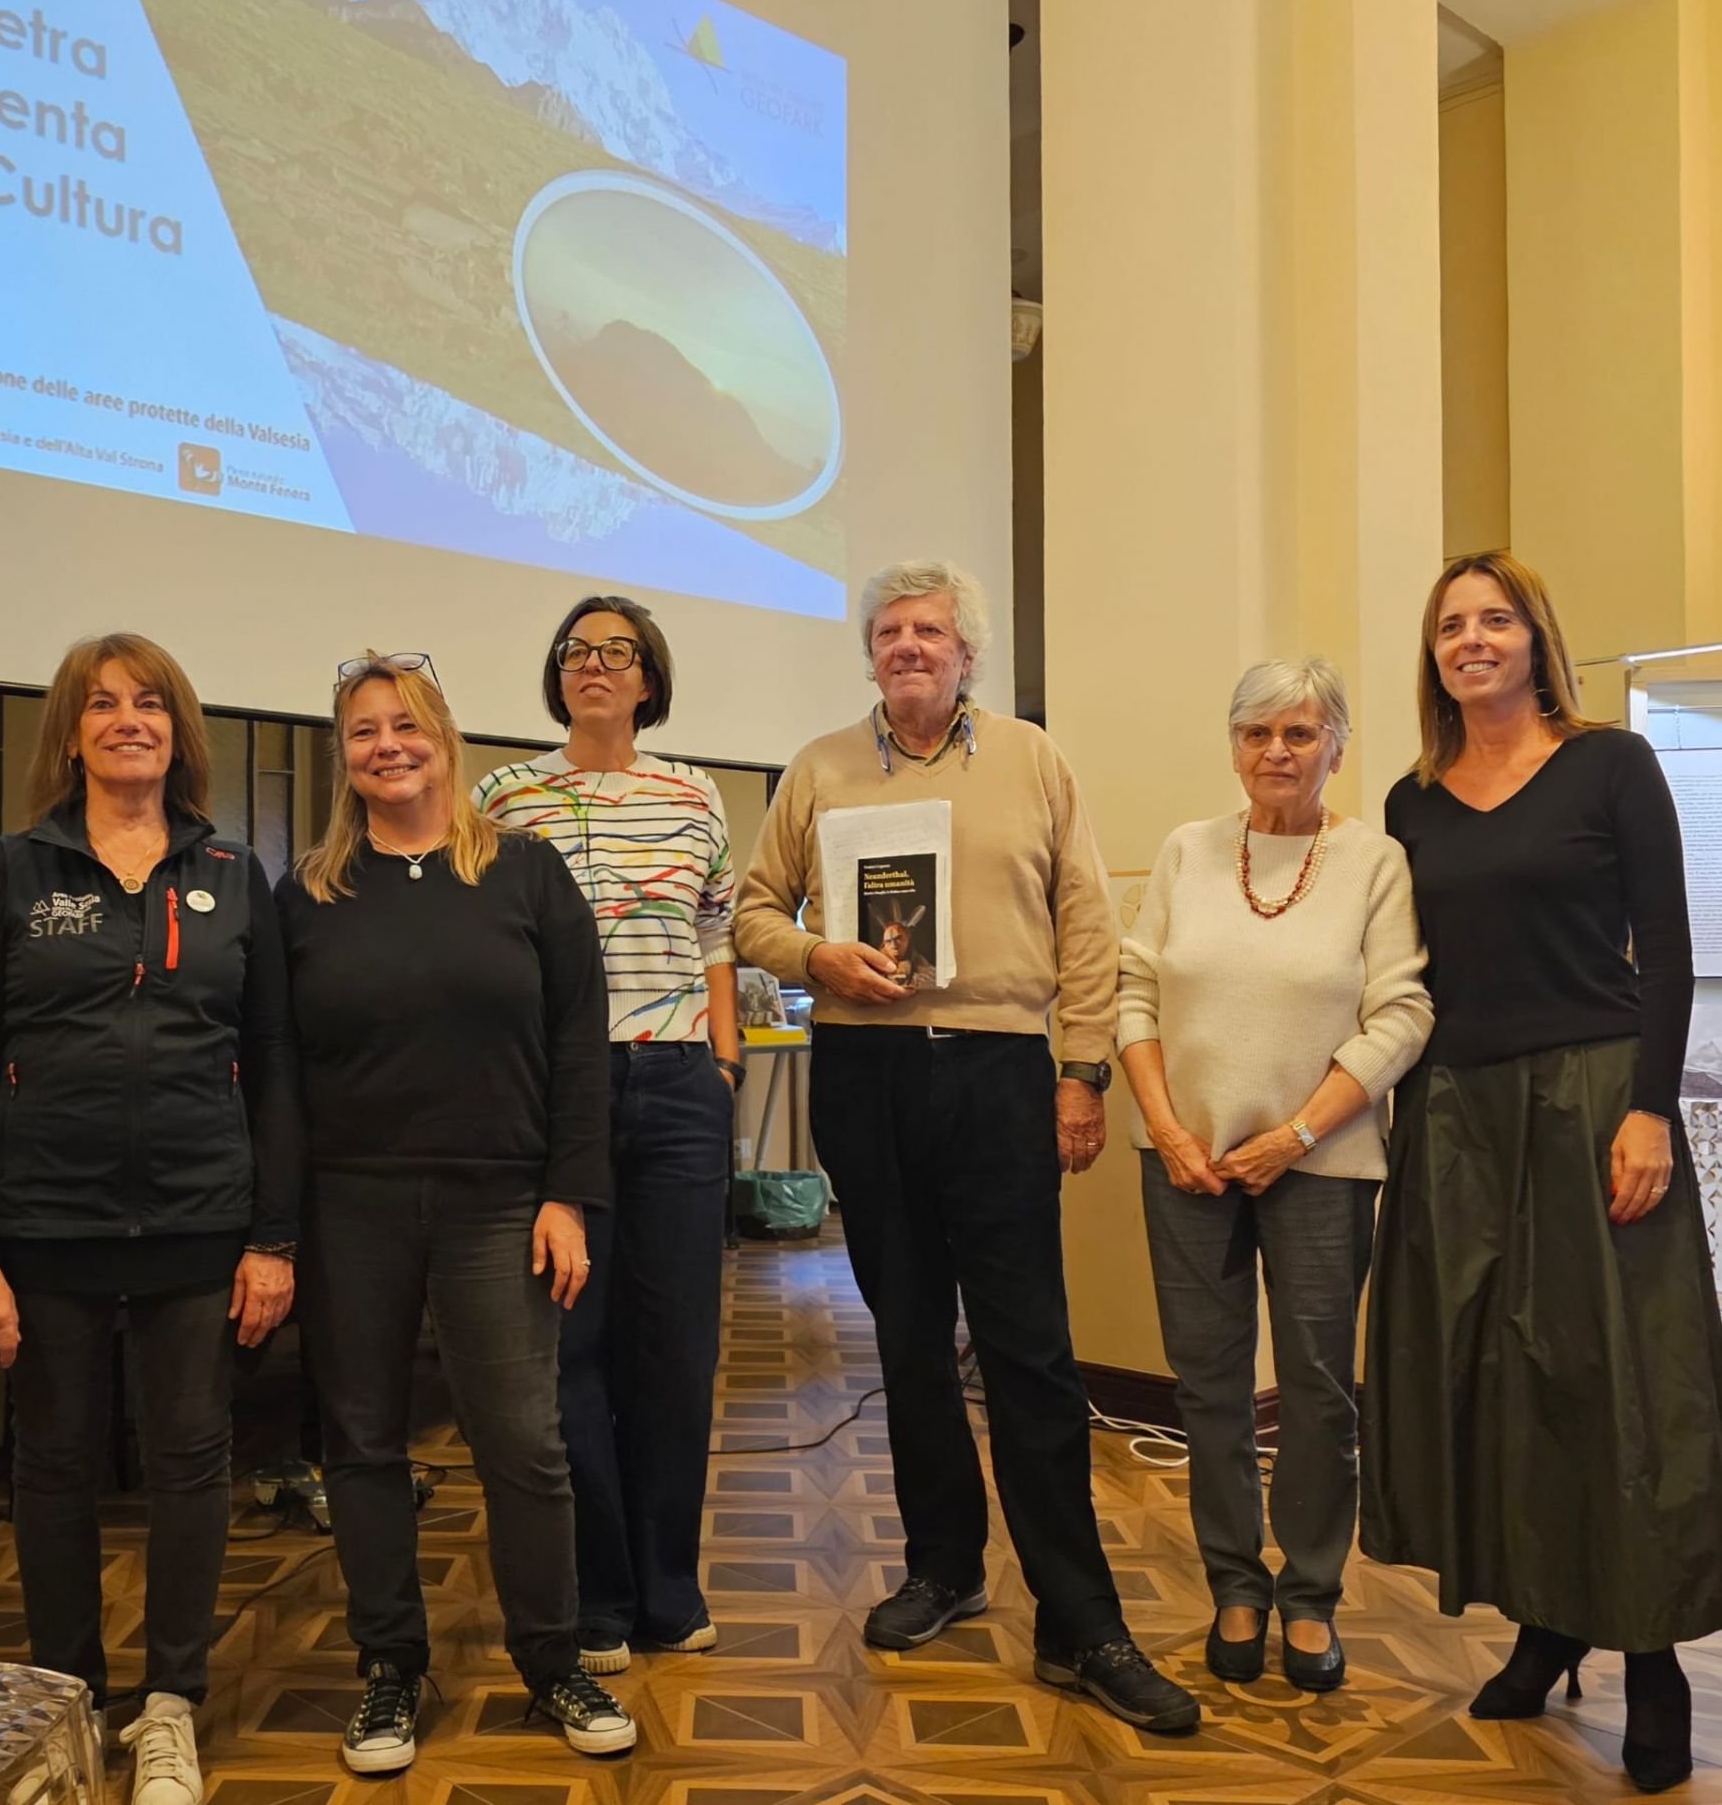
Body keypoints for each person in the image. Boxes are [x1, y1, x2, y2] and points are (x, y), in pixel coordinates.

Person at [735, 558, 1200, 1733]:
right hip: (865, 1072)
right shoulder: (819, 768)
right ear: (870, 654)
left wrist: (1081, 1071)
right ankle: (941, 1567)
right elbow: (750, 912)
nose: (907, 645)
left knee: (1028, 1351)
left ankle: (1080, 1621)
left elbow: (1086, 923)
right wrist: (814, 958)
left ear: (967, 654)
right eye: (889, 630)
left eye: (928, 631)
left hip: (998, 1071)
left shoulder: (1033, 760)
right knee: (905, 1340)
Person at [0, 633, 300, 1805]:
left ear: (178, 731)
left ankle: (171, 1706)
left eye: (149, 702)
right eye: (101, 704)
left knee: (191, 1465)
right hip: (44, 1230)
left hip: (201, 1223)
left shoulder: (233, 872)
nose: (127, 719)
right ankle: (69, 1707)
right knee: (54, 1468)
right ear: (71, 734)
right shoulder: (13, 870)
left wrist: (272, 1239)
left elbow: (276, 1072)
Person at [1361, 552, 1722, 1794]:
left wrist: (1650, 1110)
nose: (1472, 639)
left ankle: (1653, 1658)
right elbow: (1397, 974)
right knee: (1497, 1380)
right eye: (1450, 625)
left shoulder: (1610, 764)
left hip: (1593, 1098)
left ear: (1534, 639)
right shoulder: (1410, 800)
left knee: (1616, 1379)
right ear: (1434, 655)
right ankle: (1542, 1622)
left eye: (1495, 619)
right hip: (1455, 1112)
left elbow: (1667, 946)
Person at [276, 652, 635, 1770]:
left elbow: (579, 1045)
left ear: (443, 738)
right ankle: (390, 1668)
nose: (387, 746)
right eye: (363, 731)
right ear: (344, 756)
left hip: (499, 1204)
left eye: (406, 725)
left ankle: (552, 1660)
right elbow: (279, 1073)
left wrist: (568, 1195)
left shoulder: (526, 872)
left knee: (523, 1443)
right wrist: (276, 1230)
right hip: (351, 1209)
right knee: (361, 1445)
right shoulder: (309, 893)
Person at [1118, 658, 1431, 1693]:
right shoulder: (1185, 851)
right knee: (1207, 1388)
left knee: (1316, 1391)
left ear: (1335, 745)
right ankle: (1233, 1586)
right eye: (1256, 733)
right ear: (1233, 746)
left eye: (1299, 733)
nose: (1276, 752)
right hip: (1186, 1165)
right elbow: (1134, 992)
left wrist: (1293, 1133)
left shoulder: (1374, 861)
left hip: (1323, 1165)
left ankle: (1308, 1596)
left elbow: (1401, 1016)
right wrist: (1165, 1127)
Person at [473, 597, 737, 1674]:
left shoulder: (694, 793)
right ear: (557, 676)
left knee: (675, 1350)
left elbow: (715, 929)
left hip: (677, 1087)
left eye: (615, 652)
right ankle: (598, 1594)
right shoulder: (503, 795)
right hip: (556, 1093)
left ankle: (668, 1587)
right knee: (568, 1349)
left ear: (647, 680)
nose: (594, 665)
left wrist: (724, 1061)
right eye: (575, 652)